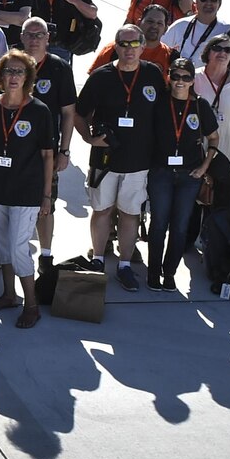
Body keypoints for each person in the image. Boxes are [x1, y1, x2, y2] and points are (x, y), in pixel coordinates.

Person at [76, 25, 166, 292]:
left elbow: (163, 113)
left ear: (142, 46)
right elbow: (79, 113)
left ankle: (125, 265)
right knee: (101, 210)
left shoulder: (153, 74)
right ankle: (98, 259)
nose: (129, 49)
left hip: (139, 161)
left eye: (134, 43)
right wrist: (88, 138)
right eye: (124, 44)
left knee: (130, 213)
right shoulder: (101, 76)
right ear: (115, 47)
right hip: (105, 160)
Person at [0, 51, 54, 327]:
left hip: (26, 191)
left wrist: (46, 195)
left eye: (20, 71)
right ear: (0, 75)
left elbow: (47, 156)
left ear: (28, 77)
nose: (14, 77)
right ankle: (9, 295)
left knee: (19, 248)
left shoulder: (39, 111)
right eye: (9, 71)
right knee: (2, 246)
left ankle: (31, 305)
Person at [146, 56, 218, 292]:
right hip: (161, 173)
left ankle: (169, 273)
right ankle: (153, 272)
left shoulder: (200, 106)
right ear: (169, 77)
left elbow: (214, 138)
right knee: (158, 224)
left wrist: (204, 167)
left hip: (189, 176)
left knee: (180, 227)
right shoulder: (158, 103)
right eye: (175, 76)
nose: (180, 81)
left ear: (192, 81)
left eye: (186, 77)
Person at [19, 17, 78, 260]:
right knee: (9, 203)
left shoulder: (59, 68)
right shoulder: (11, 63)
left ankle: (45, 256)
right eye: (29, 35)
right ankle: (4, 254)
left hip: (46, 151)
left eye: (39, 35)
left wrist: (64, 151)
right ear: (22, 37)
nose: (34, 39)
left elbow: (68, 113)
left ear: (48, 38)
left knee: (46, 203)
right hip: (13, 148)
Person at [192, 34, 230, 223]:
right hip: (197, 154)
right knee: (193, 209)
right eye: (217, 48)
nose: (222, 53)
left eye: (228, 50)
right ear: (207, 52)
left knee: (226, 210)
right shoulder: (193, 78)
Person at [163, 0, 230, 68]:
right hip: (182, 75)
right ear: (196, 3)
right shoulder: (180, 25)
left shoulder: (227, 30)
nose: (208, 3)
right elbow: (161, 48)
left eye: (213, 0)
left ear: (219, 3)